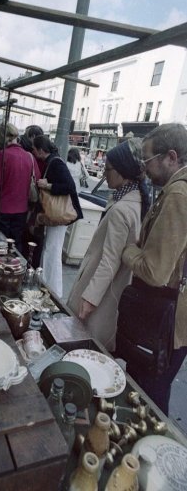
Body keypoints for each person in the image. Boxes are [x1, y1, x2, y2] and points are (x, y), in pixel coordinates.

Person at [121, 123, 187, 414]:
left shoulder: (177, 196)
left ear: (171, 157)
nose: (144, 167)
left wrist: (130, 252)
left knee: (147, 397)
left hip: (163, 322)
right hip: (173, 320)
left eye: (147, 159)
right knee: (155, 390)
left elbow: (155, 271)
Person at [67, 138, 150, 351]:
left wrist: (90, 299)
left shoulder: (123, 209)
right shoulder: (136, 200)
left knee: (86, 344)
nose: (104, 173)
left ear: (122, 171)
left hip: (101, 290)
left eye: (108, 169)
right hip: (114, 288)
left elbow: (110, 259)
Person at [33, 135, 83, 298]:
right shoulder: (54, 161)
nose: (33, 151)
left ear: (41, 150)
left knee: (52, 249)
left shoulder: (55, 162)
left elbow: (69, 186)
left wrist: (47, 185)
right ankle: (49, 286)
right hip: (59, 215)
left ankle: (51, 290)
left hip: (61, 214)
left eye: (34, 149)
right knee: (51, 248)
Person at [0, 123, 40, 252]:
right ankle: (16, 269)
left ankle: (0, 270)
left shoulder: (3, 154)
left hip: (3, 209)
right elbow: (37, 180)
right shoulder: (30, 156)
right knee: (15, 244)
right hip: (21, 210)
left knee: (0, 244)